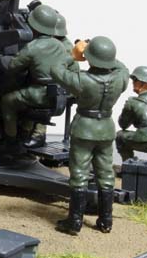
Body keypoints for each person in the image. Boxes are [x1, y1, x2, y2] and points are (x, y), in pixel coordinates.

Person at [50, 36, 128, 234]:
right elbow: (122, 67)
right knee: (106, 174)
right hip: (106, 130)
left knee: (79, 174)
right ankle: (106, 220)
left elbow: (56, 69)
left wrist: (74, 54)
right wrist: (102, 54)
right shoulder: (120, 78)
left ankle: (74, 221)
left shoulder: (81, 80)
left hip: (84, 129)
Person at [0, 4, 76, 149]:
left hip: (41, 93)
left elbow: (12, 67)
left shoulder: (32, 47)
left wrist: (0, 58)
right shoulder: (61, 45)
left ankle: (11, 140)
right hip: (58, 92)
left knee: (7, 101)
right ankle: (27, 132)